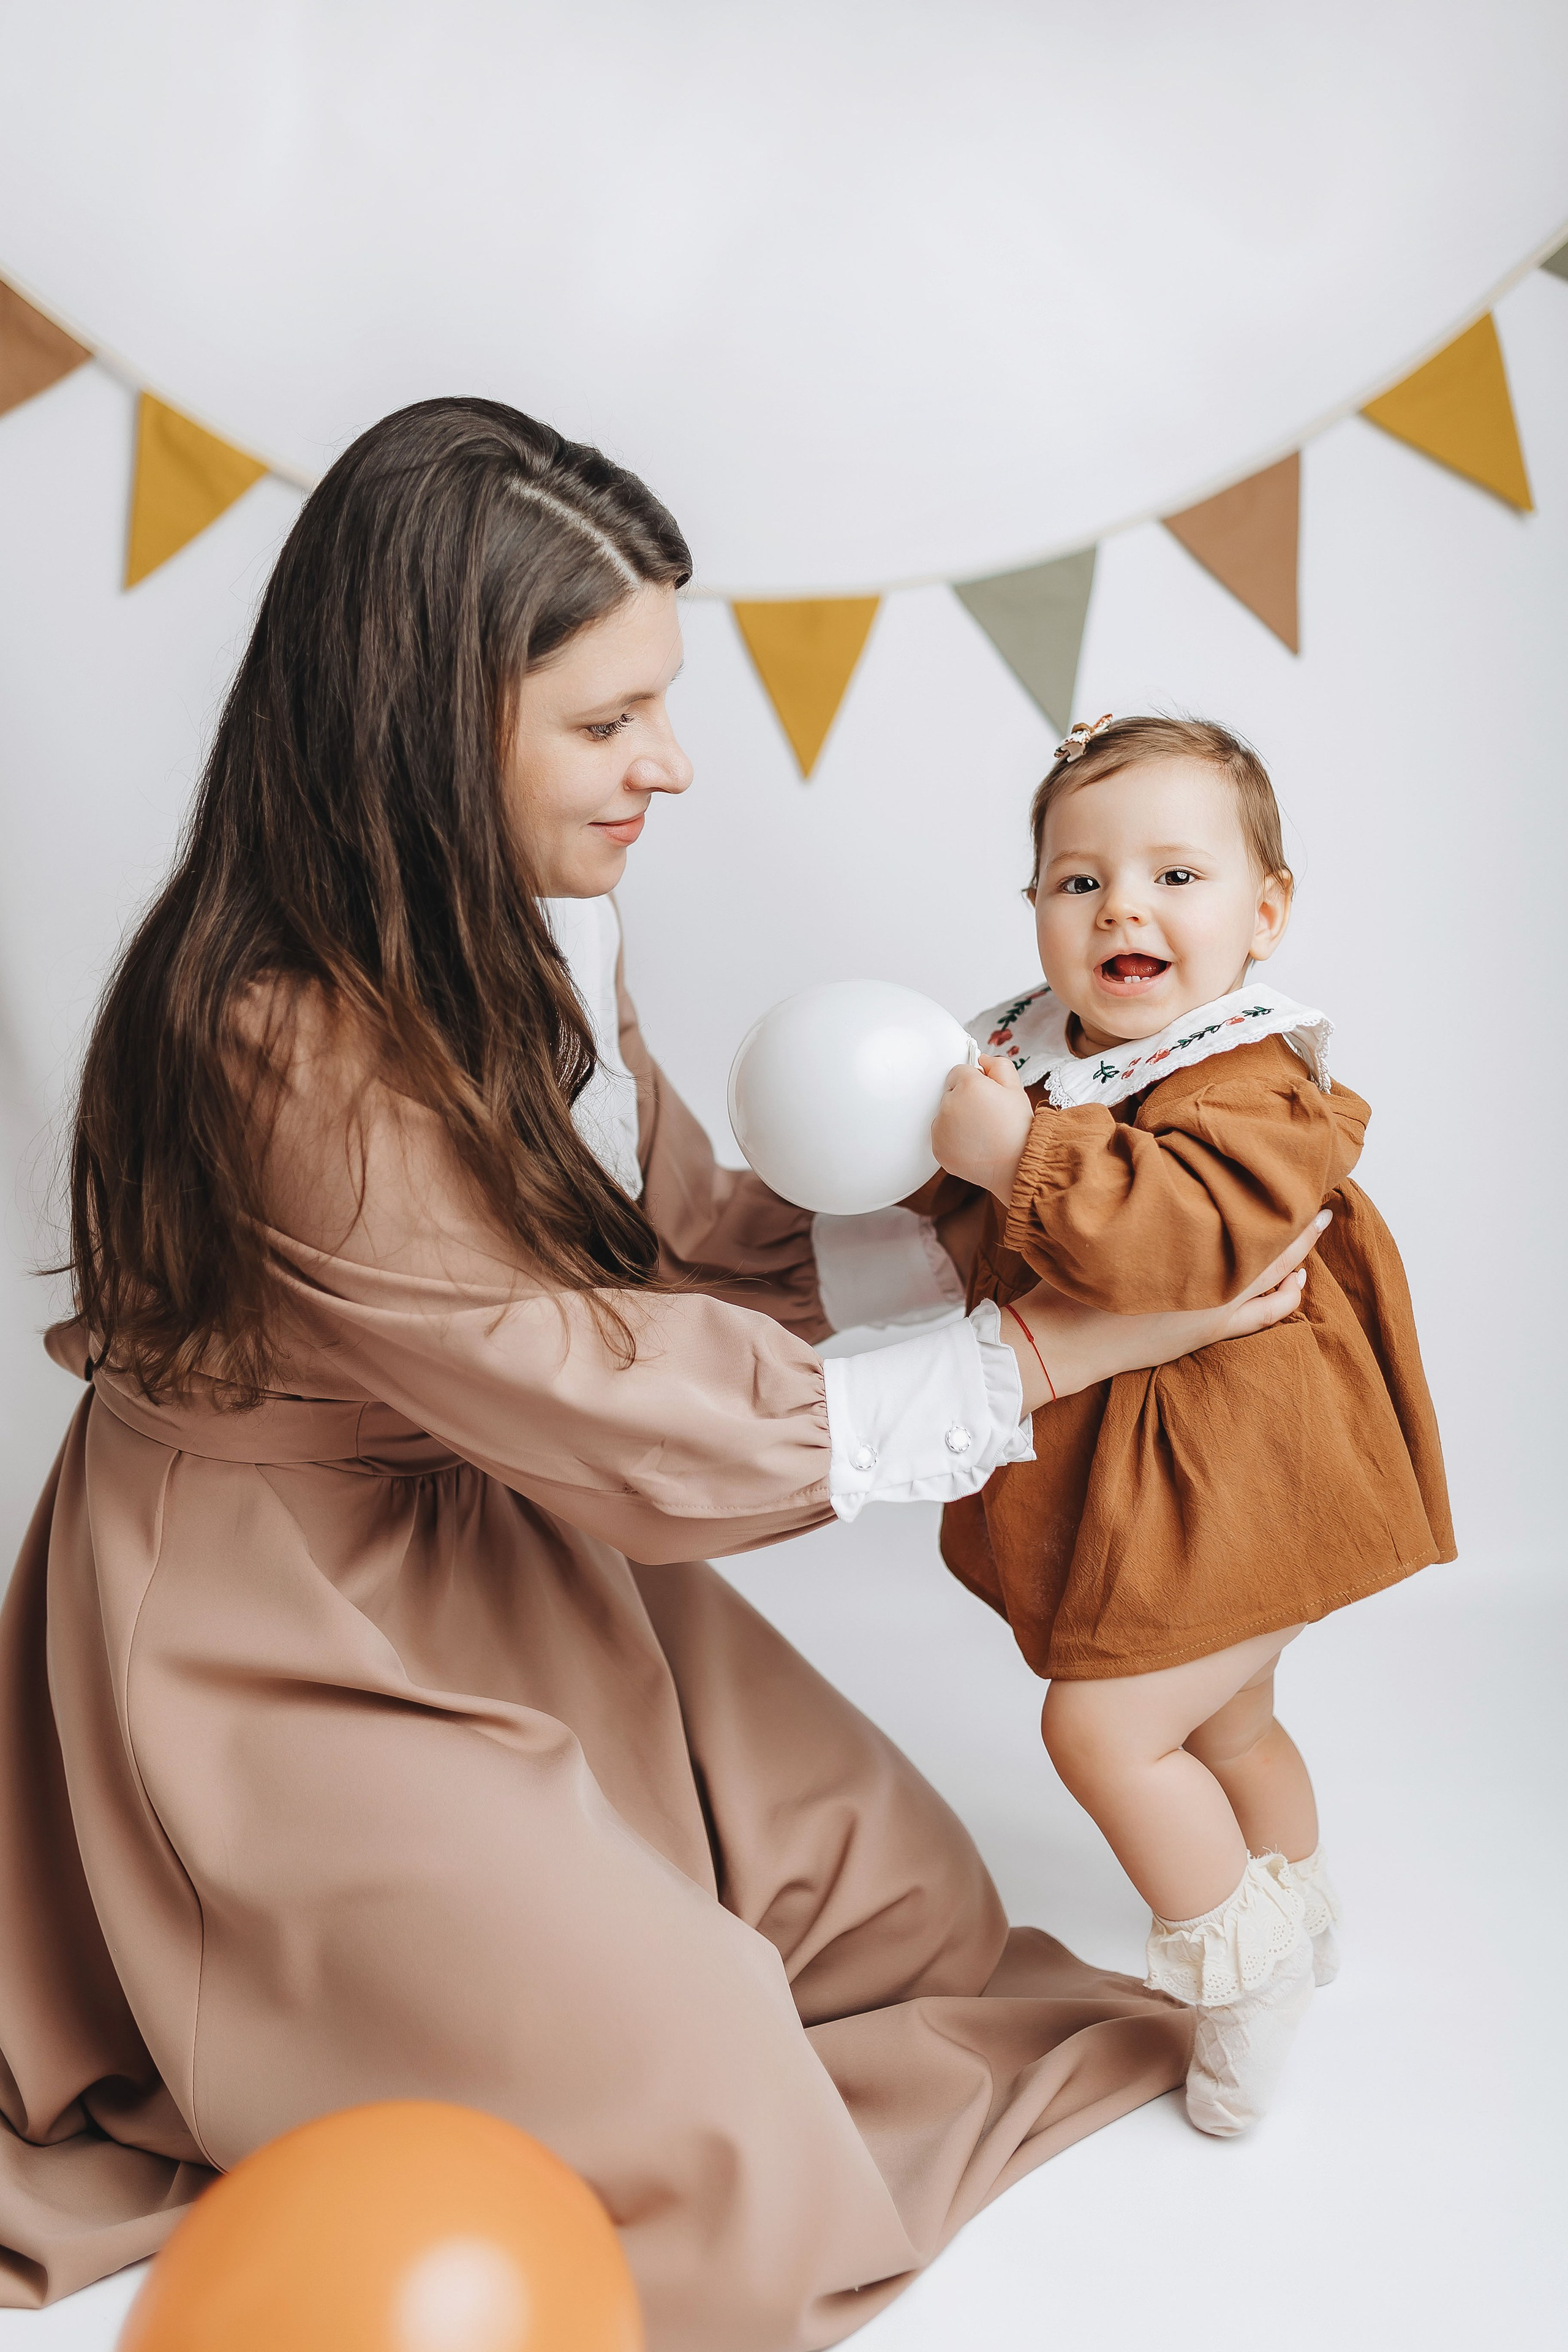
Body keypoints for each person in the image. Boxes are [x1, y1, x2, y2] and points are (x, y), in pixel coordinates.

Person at [0, 409, 1320, 2350]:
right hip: (279, 1622)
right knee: (724, 2130)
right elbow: (604, 1402)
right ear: (433, 726)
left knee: (914, 1921)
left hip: (494, 1523)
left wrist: (1017, 1218)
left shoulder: (538, 923)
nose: (672, 765)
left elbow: (667, 1228)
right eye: (611, 720)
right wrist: (1069, 1344)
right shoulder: (283, 1041)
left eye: (665, 704)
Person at [932, 712, 1453, 2141]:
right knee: (1228, 1720)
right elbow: (984, 1213)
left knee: (1100, 1728)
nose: (1123, 909)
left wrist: (1016, 1154)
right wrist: (936, 1154)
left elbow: (1174, 1241)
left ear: (1261, 915)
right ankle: (1300, 1901)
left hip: (1255, 1474)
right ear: (1034, 907)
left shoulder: (1252, 1078)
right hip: (1171, 1483)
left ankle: (1246, 1960)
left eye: (1174, 876)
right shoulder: (1036, 1057)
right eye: (1079, 880)